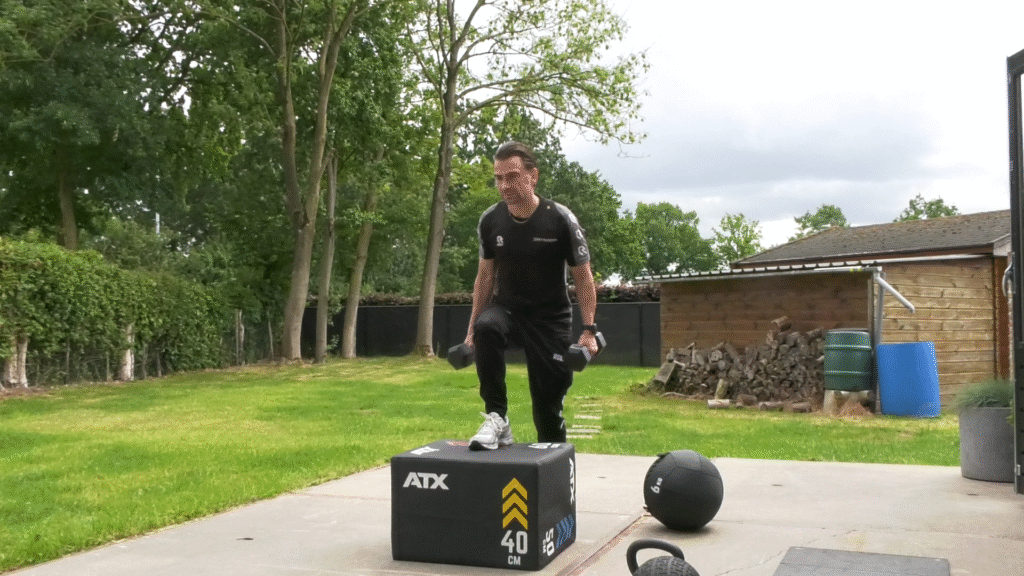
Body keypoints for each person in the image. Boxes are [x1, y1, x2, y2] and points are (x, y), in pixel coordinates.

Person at [463, 141, 599, 450]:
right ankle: (497, 418)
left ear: (532, 176)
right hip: (508, 312)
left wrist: (589, 330)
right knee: (487, 327)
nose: (504, 185)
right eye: (498, 178)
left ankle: (557, 483)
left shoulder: (560, 219)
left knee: (548, 412)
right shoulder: (490, 220)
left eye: (511, 176)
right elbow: (484, 278)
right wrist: (471, 329)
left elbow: (583, 277)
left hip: (550, 321)